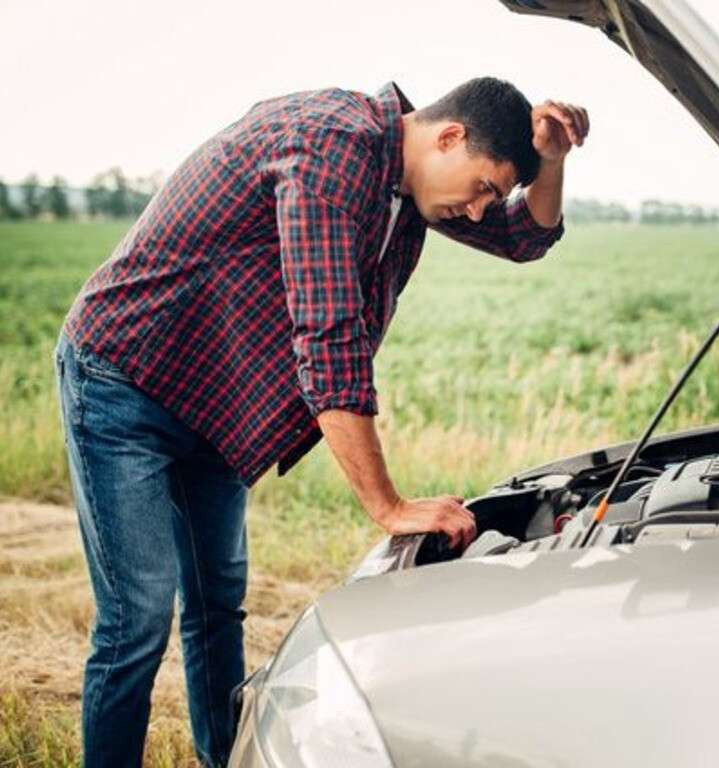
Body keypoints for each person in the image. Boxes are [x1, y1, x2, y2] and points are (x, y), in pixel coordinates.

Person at [53, 76, 588, 767]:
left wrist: (552, 160)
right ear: (449, 137)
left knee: (217, 606)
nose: (482, 211)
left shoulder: (411, 185)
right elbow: (328, 339)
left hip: (212, 401)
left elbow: (525, 239)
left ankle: (225, 758)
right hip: (123, 377)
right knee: (139, 618)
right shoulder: (336, 146)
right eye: (486, 187)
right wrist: (389, 507)